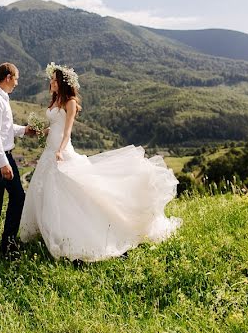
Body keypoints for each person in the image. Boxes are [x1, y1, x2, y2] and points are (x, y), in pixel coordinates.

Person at [19, 62, 181, 262]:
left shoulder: (69, 102)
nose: (50, 83)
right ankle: (46, 232)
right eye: (50, 80)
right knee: (45, 191)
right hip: (49, 151)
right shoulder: (54, 101)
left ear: (62, 83)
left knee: (69, 192)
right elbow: (54, 126)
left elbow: (67, 131)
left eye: (53, 80)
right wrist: (39, 133)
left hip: (61, 151)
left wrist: (60, 150)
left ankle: (72, 232)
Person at [0, 62, 35, 256]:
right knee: (10, 199)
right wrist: (2, 163)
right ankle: (3, 246)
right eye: (16, 78)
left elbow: (5, 128)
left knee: (4, 200)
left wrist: (25, 131)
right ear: (8, 77)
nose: (17, 83)